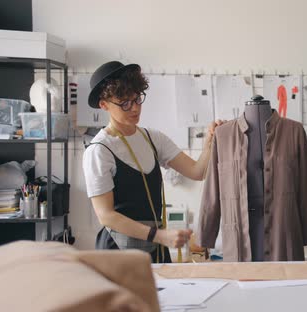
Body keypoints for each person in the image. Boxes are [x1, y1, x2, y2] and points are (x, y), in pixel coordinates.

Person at [82, 61, 222, 263]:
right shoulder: (99, 150)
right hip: (118, 251)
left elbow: (197, 172)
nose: (135, 108)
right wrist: (160, 236)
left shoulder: (153, 138)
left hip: (155, 247)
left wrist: (209, 142)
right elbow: (106, 216)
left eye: (137, 99)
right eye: (124, 103)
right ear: (104, 105)